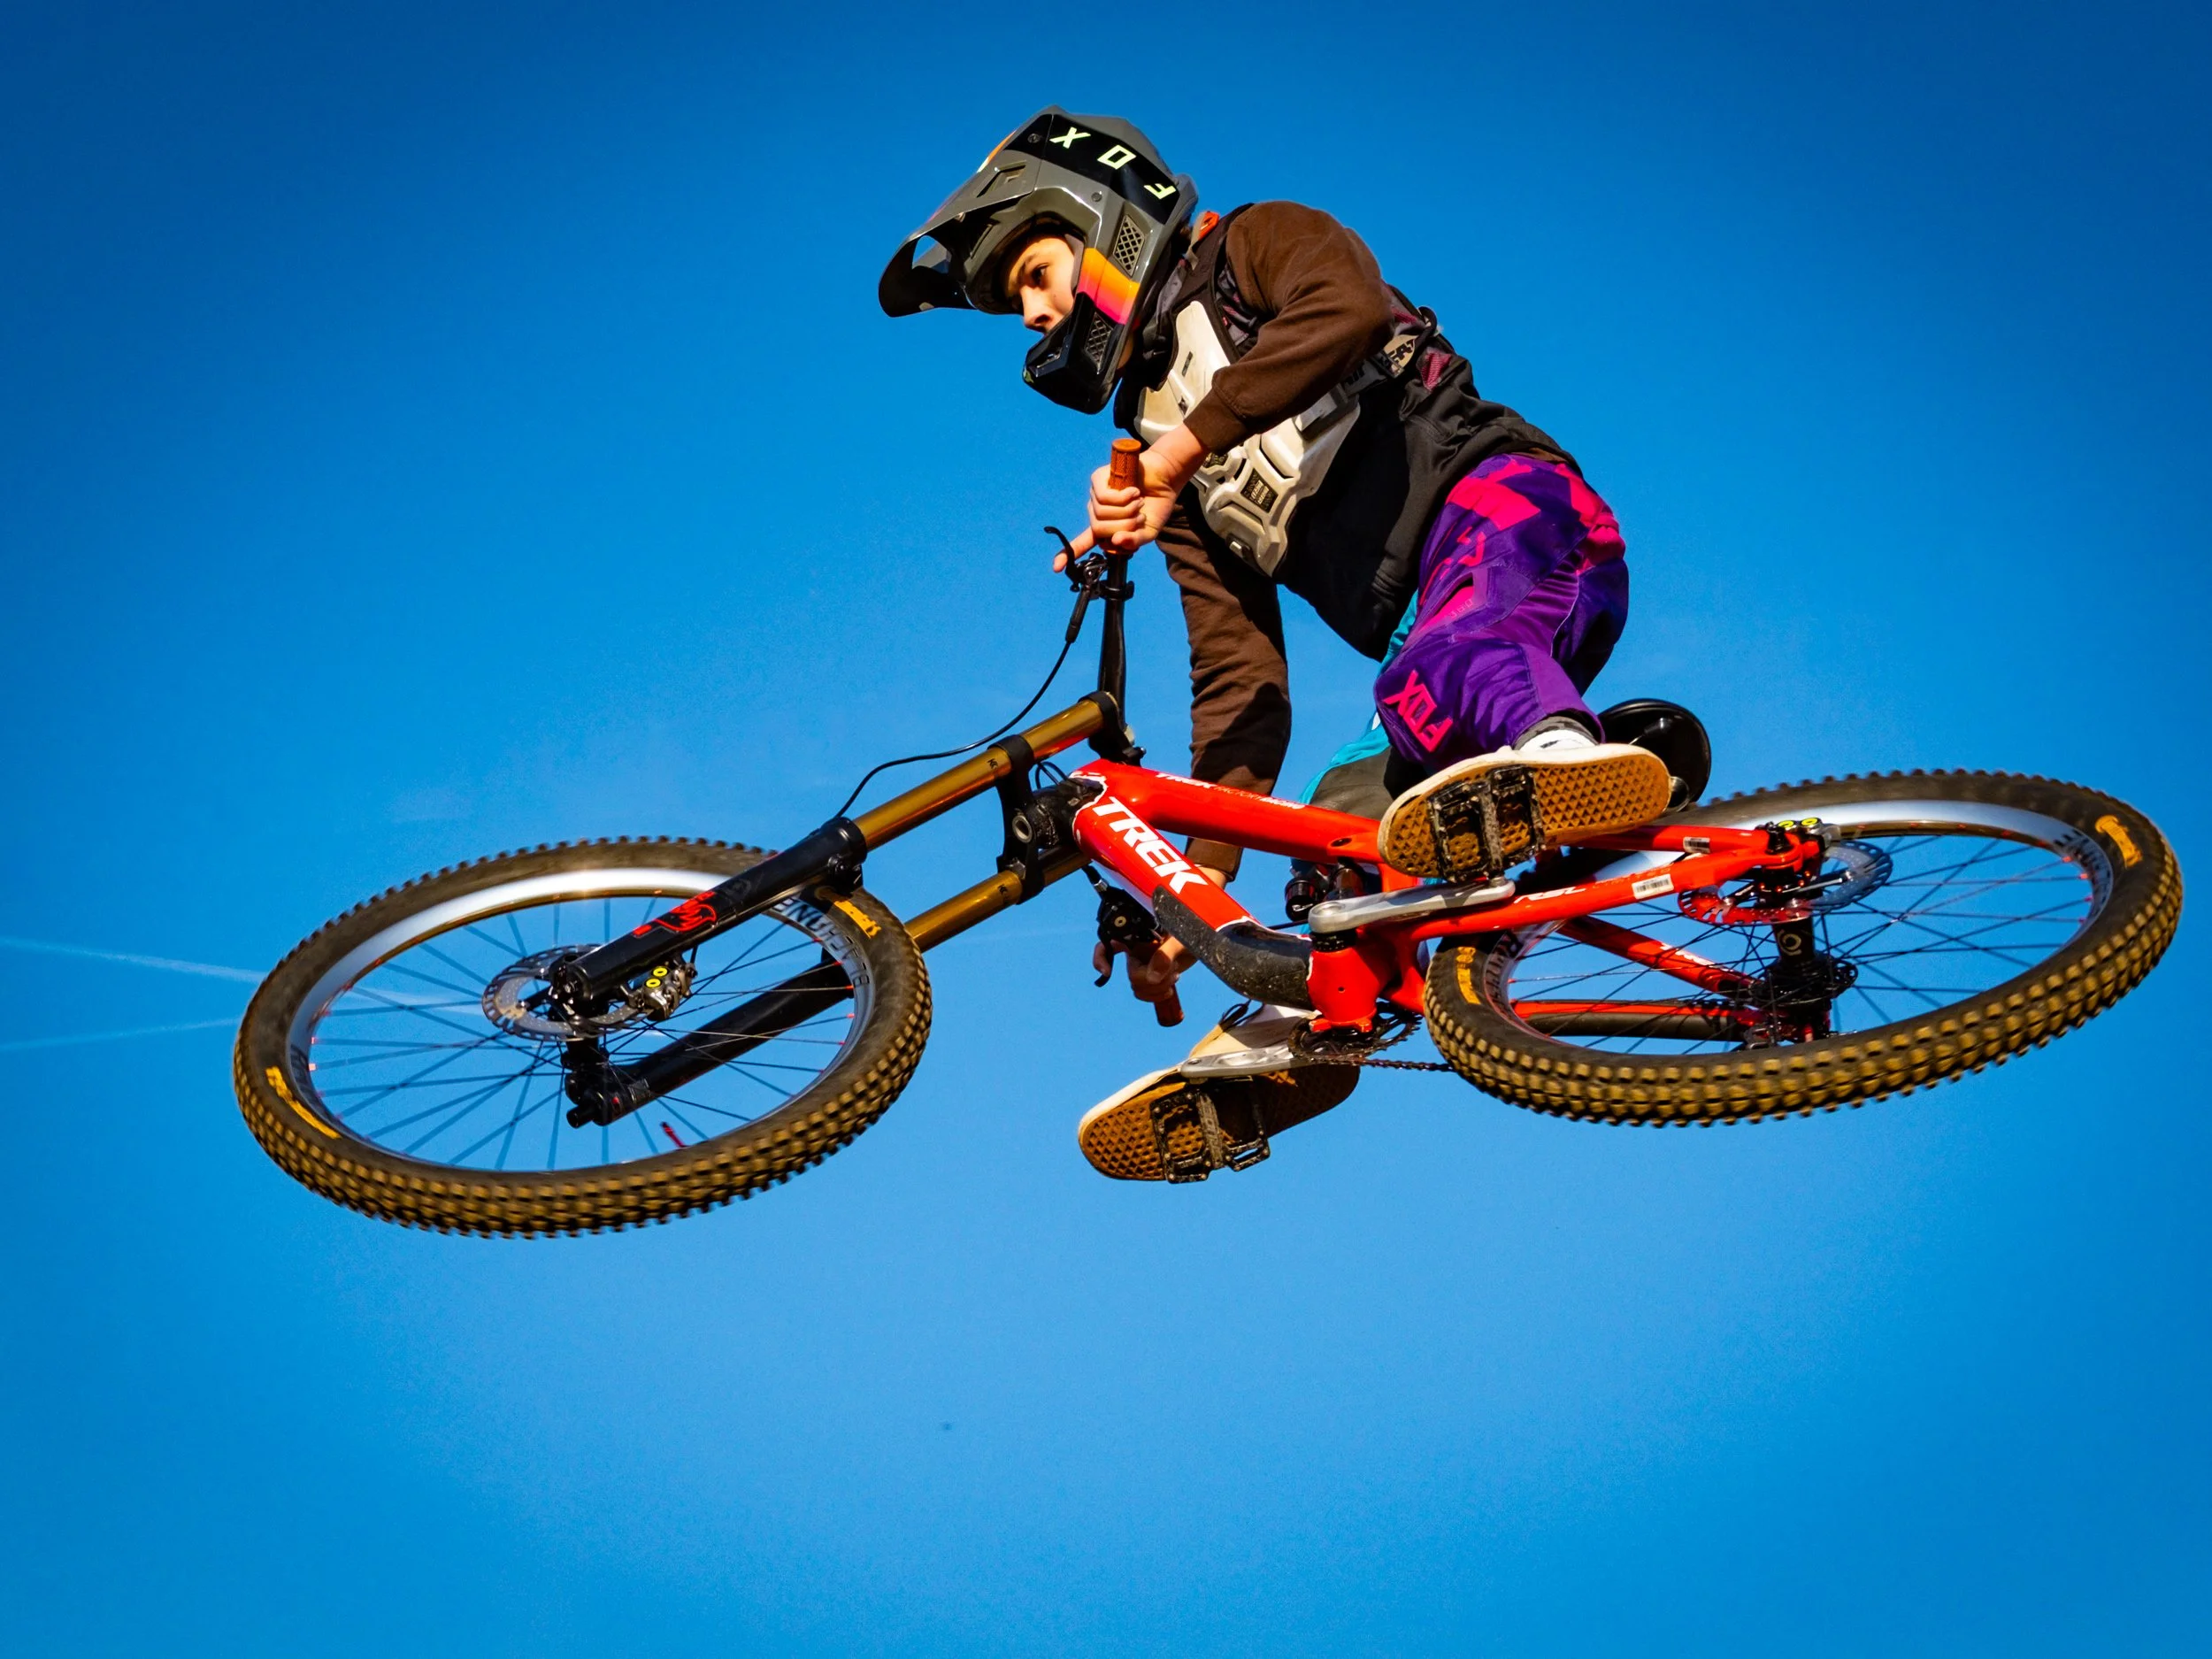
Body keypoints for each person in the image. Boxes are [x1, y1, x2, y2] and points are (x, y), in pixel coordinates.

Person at [881, 110, 1670, 1179]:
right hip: (1432, 659)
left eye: (1033, 272)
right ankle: (1301, 1019)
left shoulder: (1251, 248)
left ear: (1100, 219)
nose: (1031, 316)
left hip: (1517, 517)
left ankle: (1565, 759)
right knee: (1336, 850)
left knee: (1440, 663)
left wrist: (1183, 449)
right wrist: (1187, 892)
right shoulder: (1174, 468)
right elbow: (1239, 682)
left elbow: (1343, 308)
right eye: (1015, 306)